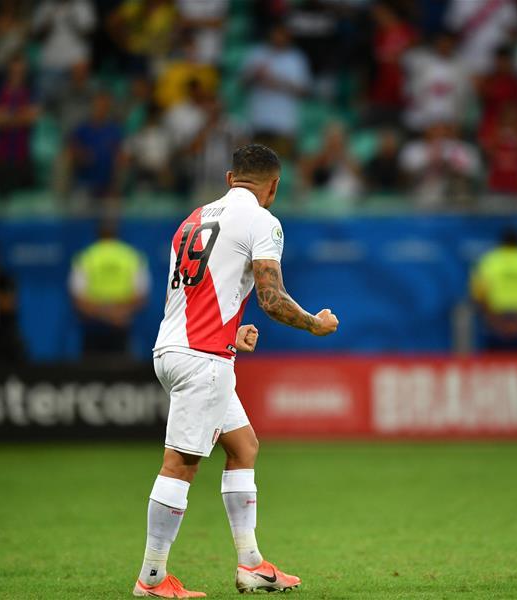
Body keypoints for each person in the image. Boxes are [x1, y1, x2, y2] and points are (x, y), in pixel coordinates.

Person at [132, 144, 338, 597]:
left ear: (230, 179)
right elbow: (271, 297)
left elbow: (196, 294)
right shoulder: (264, 222)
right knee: (181, 464)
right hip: (202, 358)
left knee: (243, 447)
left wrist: (232, 328)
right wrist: (314, 324)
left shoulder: (194, 218)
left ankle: (250, 565)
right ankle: (151, 579)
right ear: (274, 187)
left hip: (177, 347)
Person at [69, 222, 150, 358]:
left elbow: (78, 298)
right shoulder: (131, 256)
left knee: (90, 376)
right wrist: (114, 315)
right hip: (117, 325)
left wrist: (102, 313)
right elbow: (141, 296)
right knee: (123, 376)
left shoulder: (86, 256)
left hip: (94, 327)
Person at [241, 25, 311, 157]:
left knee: (280, 168)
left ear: (288, 37)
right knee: (255, 167)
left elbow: (304, 92)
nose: (278, 38)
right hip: (257, 121)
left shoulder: (296, 58)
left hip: (284, 125)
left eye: (282, 35)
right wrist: (256, 76)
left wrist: (279, 83)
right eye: (276, 34)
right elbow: (243, 84)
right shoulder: (257, 53)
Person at [0, 57, 39, 198]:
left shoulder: (31, 93)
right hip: (2, 157)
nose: (17, 74)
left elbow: (32, 118)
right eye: (14, 71)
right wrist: (20, 115)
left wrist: (6, 116)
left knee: (26, 205)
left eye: (21, 71)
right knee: (0, 206)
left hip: (23, 156)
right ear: (8, 72)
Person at [69, 91, 124, 199]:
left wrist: (118, 159)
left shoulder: (114, 130)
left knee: (113, 206)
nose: (101, 109)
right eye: (98, 105)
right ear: (92, 106)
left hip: (107, 186)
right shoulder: (82, 129)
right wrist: (82, 155)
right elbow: (71, 149)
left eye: (105, 106)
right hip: (84, 184)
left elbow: (120, 153)